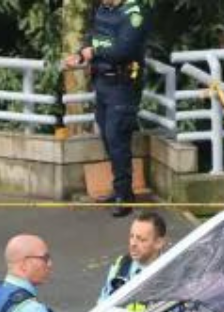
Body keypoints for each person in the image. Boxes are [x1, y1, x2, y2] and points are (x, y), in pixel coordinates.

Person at [65, 0, 148, 218]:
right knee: (108, 136)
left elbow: (124, 49)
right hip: (102, 82)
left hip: (123, 85)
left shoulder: (134, 12)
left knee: (117, 136)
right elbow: (94, 35)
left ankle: (125, 196)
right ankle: (120, 189)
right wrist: (81, 54)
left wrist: (94, 52)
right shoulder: (103, 8)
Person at [97, 210, 167, 304]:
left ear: (159, 243)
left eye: (141, 239)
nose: (133, 243)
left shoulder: (172, 273)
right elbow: (103, 303)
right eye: (131, 236)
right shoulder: (121, 265)